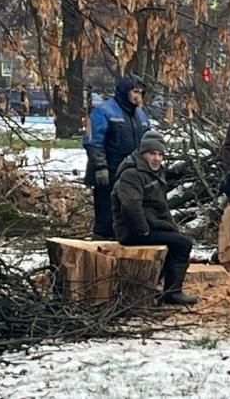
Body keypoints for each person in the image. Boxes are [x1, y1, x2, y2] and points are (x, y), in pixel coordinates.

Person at [113, 131, 197, 305]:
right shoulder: (132, 174)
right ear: (143, 153)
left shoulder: (154, 172)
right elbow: (130, 207)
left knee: (179, 240)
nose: (156, 158)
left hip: (150, 224)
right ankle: (173, 293)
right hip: (132, 231)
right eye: (152, 153)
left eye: (160, 154)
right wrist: (143, 231)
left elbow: (161, 205)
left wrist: (172, 227)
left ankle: (158, 285)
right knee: (183, 245)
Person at [83, 74, 150, 239]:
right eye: (135, 91)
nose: (138, 96)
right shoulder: (104, 111)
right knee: (106, 216)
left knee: (128, 211)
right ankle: (102, 242)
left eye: (141, 93)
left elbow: (147, 142)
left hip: (131, 172)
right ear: (125, 91)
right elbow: (93, 141)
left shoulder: (141, 115)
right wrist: (100, 166)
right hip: (108, 172)